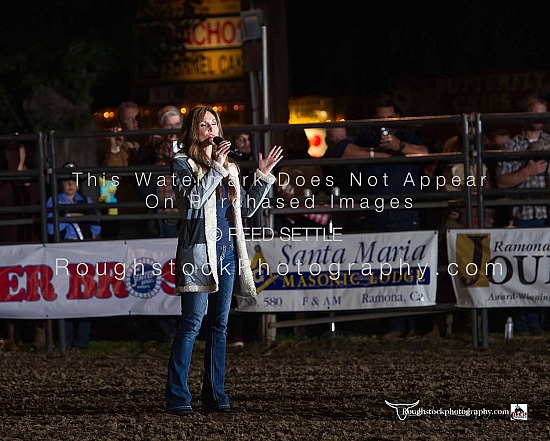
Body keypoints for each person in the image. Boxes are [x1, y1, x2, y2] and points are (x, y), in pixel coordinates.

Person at [164, 105, 283, 416]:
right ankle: (177, 394)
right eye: (204, 125)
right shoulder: (182, 163)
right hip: (199, 252)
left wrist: (262, 178)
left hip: (226, 251)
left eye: (213, 124)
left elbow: (242, 211)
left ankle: (215, 393)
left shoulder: (229, 166)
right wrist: (215, 168)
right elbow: (192, 203)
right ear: (193, 131)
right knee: (192, 322)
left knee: (220, 324)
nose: (210, 130)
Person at [332, 95, 430, 339]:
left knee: (414, 268)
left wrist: (399, 147)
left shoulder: (409, 136)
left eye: (390, 117)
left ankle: (418, 324)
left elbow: (425, 153)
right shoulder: (367, 138)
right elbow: (343, 151)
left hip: (407, 212)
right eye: (381, 118)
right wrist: (381, 154)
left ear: (398, 118)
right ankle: (395, 325)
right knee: (387, 270)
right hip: (379, 212)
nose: (385, 122)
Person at [495, 95, 549, 336]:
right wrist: (528, 170)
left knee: (543, 268)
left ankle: (537, 320)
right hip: (524, 213)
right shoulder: (513, 146)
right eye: (534, 113)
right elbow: (502, 182)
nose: (538, 119)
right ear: (525, 115)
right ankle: (523, 320)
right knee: (523, 267)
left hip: (547, 212)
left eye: (542, 113)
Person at [47, 161, 101, 349]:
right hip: (63, 250)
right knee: (65, 292)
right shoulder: (54, 201)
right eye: (67, 180)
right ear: (60, 183)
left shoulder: (84, 202)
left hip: (83, 251)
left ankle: (82, 340)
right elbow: (51, 228)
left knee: (84, 292)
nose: (71, 184)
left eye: (74, 180)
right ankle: (66, 338)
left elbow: (95, 227)